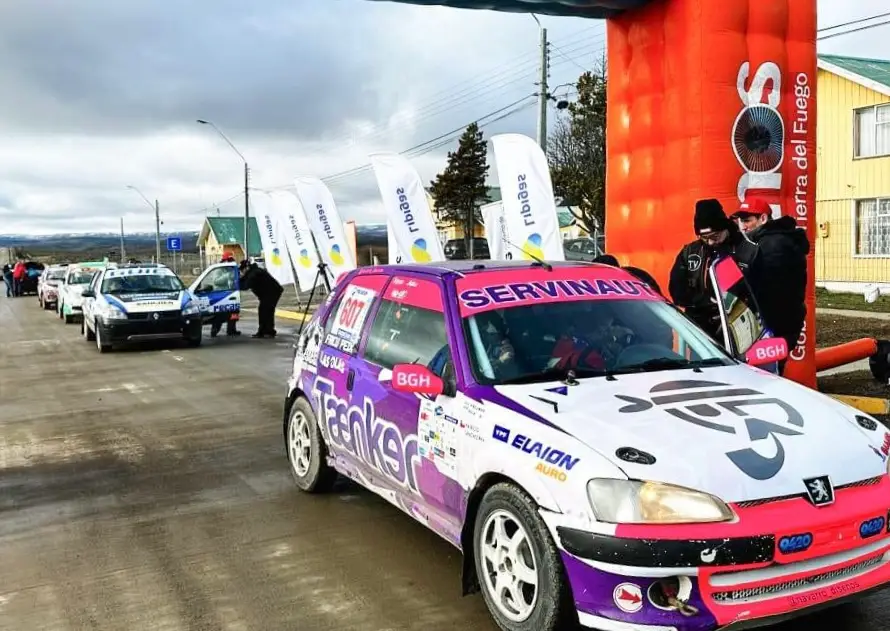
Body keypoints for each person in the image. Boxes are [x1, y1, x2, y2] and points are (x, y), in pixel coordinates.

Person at [731, 197, 810, 370]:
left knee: (767, 374)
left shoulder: (772, 245)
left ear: (763, 219)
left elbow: (770, 290)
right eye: (740, 221)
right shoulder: (768, 241)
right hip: (780, 323)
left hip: (775, 325)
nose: (743, 226)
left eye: (747, 220)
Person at [668, 198, 758, 340]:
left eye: (715, 236)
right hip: (701, 331)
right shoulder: (690, 252)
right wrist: (705, 301)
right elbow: (676, 291)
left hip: (739, 331)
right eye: (704, 237)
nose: (710, 242)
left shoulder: (748, 251)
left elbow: (761, 295)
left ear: (725, 228)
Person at [239, 259, 283, 338]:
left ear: (246, 268)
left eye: (242, 270)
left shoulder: (254, 273)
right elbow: (245, 279)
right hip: (270, 292)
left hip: (271, 293)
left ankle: (263, 332)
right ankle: (269, 330)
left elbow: (245, 286)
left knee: (264, 310)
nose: (242, 273)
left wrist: (236, 285)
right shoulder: (253, 271)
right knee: (267, 310)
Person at [209, 253, 241, 338]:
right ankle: (215, 330)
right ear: (224, 260)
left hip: (231, 293)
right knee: (219, 314)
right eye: (229, 260)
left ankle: (231, 329)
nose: (230, 262)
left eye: (231, 260)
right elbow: (216, 281)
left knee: (234, 312)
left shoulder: (231, 269)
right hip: (221, 294)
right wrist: (227, 276)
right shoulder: (219, 269)